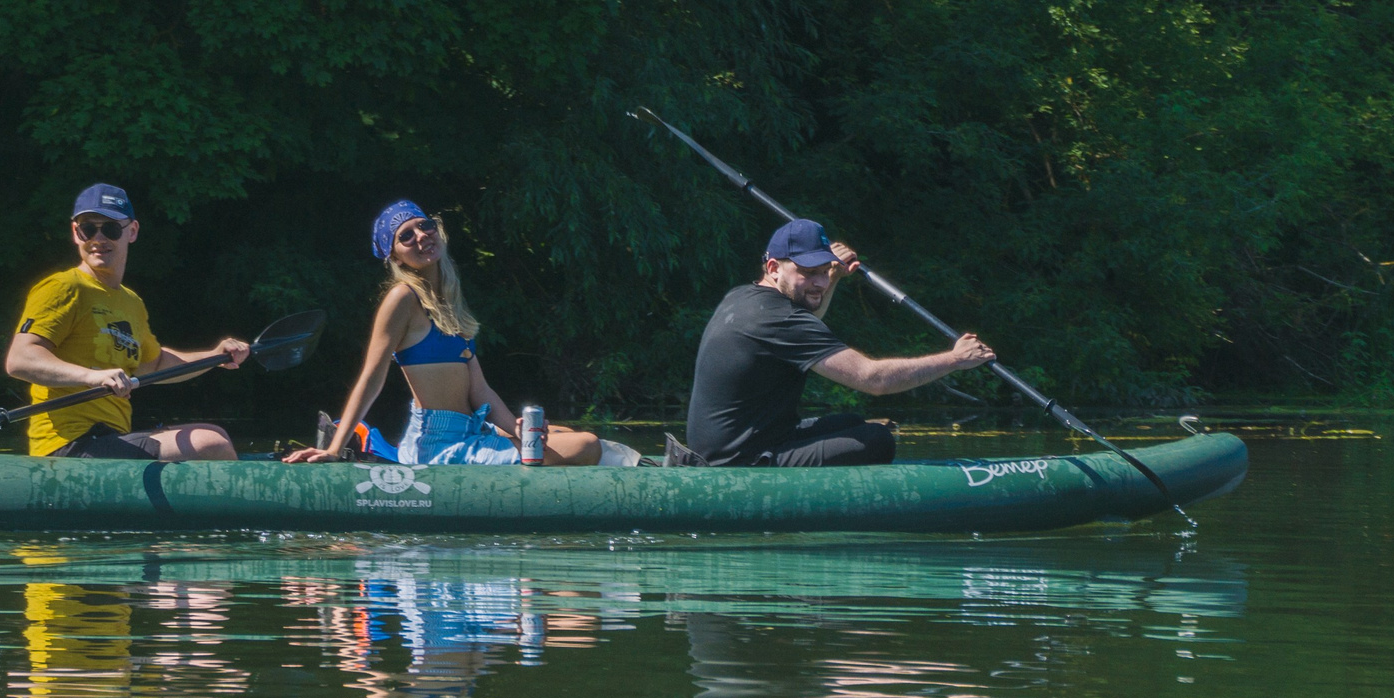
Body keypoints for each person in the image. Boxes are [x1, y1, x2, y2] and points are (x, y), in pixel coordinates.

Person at [285, 200, 636, 467]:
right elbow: (371, 379)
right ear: (395, 256)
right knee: (586, 444)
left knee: (562, 435)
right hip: (437, 445)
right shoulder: (402, 298)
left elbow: (480, 389)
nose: (420, 236)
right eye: (406, 236)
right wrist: (334, 448)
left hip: (471, 428)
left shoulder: (449, 302)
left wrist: (517, 432)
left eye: (424, 226)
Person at [681, 218, 995, 467]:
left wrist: (834, 278)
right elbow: (874, 380)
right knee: (876, 439)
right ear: (774, 268)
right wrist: (954, 360)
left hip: (739, 442)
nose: (818, 281)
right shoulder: (780, 320)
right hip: (739, 460)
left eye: (823, 270)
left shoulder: (744, 297)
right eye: (807, 272)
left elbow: (806, 330)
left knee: (849, 422)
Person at [6, 183, 249, 461]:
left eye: (110, 228)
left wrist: (215, 356)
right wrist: (91, 376)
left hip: (109, 438)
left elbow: (154, 364)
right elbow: (20, 359)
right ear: (76, 233)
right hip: (68, 445)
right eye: (88, 228)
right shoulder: (62, 287)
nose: (98, 238)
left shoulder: (131, 302)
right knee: (210, 443)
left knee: (211, 431)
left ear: (131, 231)